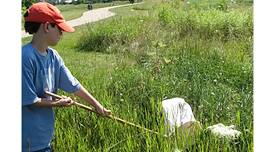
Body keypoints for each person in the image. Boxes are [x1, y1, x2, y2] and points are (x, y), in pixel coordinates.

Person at [22, 2, 111, 152]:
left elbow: (73, 85)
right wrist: (58, 103)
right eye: (59, 28)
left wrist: (97, 105)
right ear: (46, 26)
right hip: (26, 142)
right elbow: (30, 100)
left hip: (44, 138)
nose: (62, 34)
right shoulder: (25, 58)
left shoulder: (53, 57)